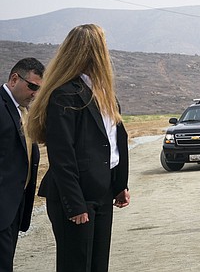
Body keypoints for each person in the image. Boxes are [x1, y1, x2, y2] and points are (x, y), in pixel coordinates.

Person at [27, 24, 130, 272]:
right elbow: (62, 155)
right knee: (76, 266)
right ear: (92, 51)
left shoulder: (106, 93)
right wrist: (74, 204)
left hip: (103, 194)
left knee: (97, 266)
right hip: (75, 197)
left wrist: (119, 185)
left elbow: (112, 143)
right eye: (103, 45)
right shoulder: (65, 94)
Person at [1, 58, 44, 272]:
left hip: (14, 208)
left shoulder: (23, 112)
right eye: (32, 86)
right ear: (14, 79)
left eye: (39, 89)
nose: (35, 93)